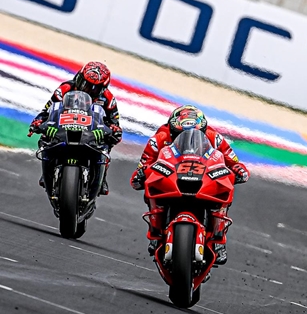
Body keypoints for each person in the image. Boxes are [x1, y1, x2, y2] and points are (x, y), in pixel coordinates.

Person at [130, 105, 250, 265]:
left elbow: (232, 161)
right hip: (172, 177)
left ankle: (218, 239)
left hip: (203, 177)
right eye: (180, 134)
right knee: (151, 184)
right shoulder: (159, 138)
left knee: (224, 186)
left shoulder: (214, 137)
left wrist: (238, 169)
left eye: (196, 133)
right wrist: (141, 173)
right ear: (172, 130)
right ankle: (156, 230)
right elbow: (144, 164)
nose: (189, 138)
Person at [29, 61, 122, 195]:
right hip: (64, 127)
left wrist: (114, 130)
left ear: (102, 88)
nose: (86, 89)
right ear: (78, 77)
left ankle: (102, 177)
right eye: (84, 83)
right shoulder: (64, 89)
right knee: (45, 137)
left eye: (94, 88)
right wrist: (38, 122)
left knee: (107, 144)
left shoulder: (108, 98)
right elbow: (48, 110)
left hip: (92, 131)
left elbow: (114, 121)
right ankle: (46, 171)